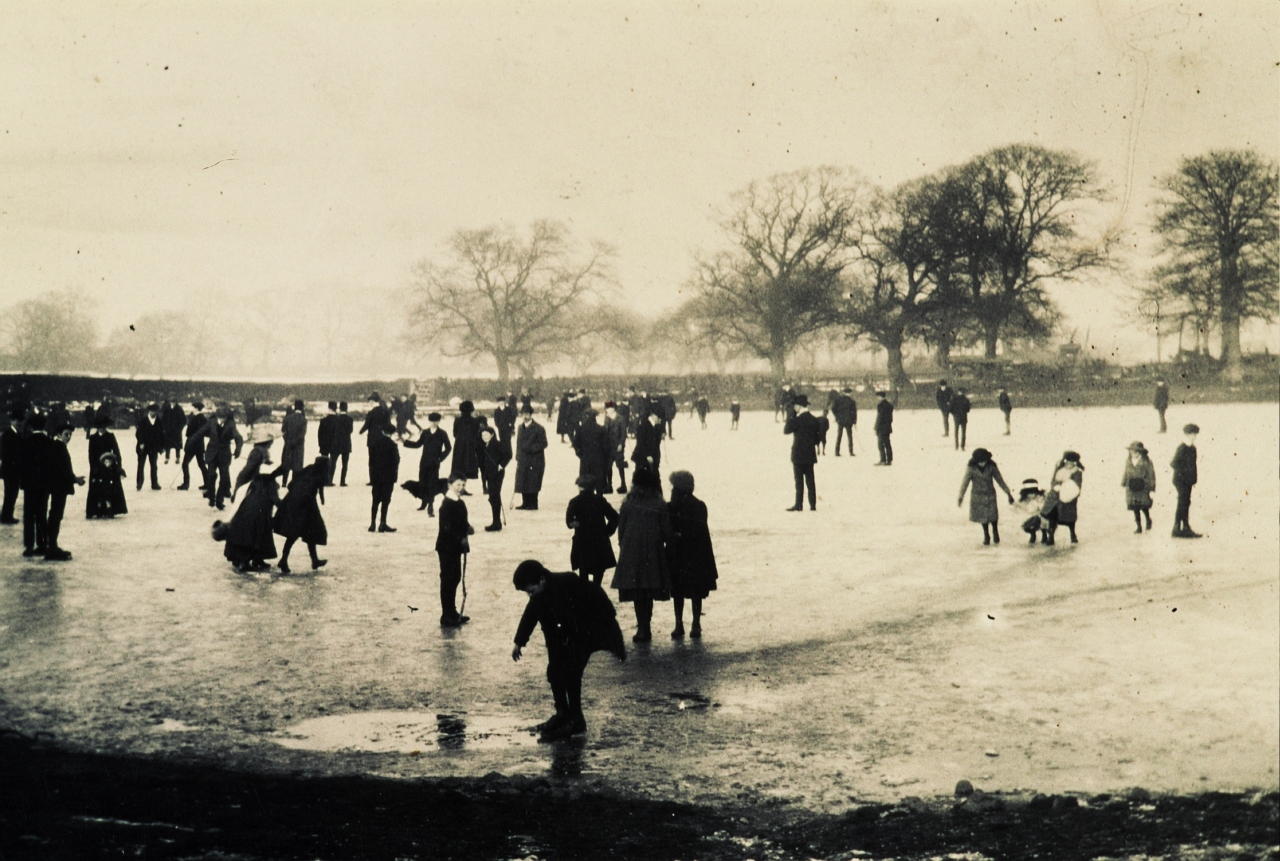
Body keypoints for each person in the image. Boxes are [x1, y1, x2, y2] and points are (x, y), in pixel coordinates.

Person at [511, 559, 626, 741]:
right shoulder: (539, 596)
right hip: (561, 637)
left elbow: (596, 602)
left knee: (571, 673)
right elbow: (530, 616)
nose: (530, 596)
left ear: (542, 580)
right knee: (554, 672)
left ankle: (576, 720)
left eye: (531, 591)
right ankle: (562, 714)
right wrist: (519, 642)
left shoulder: (567, 584)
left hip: (586, 632)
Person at [611, 468, 673, 643]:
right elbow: (667, 530)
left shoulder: (628, 503)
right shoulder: (659, 504)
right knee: (648, 590)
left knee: (638, 592)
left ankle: (642, 628)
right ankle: (646, 626)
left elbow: (621, 528)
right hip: (653, 552)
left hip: (632, 552)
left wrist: (623, 547)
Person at [666, 470, 717, 639]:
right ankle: (694, 623)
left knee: (679, 590)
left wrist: (679, 535)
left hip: (682, 553)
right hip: (695, 555)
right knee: (694, 591)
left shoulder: (674, 506)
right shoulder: (698, 505)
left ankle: (680, 623)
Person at [223, 426, 281, 572]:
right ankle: (245, 558)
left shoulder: (261, 451)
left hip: (264, 491)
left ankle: (257, 557)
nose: (272, 442)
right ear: (266, 441)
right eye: (270, 440)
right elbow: (245, 473)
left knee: (261, 525)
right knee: (254, 525)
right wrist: (237, 490)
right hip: (257, 492)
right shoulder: (257, 453)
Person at [273, 456, 329, 573]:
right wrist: (320, 497)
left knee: (302, 533)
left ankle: (313, 560)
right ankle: (284, 560)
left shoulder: (309, 469)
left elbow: (291, 483)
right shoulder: (321, 475)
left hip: (293, 501)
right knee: (299, 533)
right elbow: (320, 486)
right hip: (305, 505)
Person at [565, 475, 619, 586]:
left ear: (579, 486)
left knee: (583, 571)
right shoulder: (599, 500)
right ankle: (596, 592)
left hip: (582, 541)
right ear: (594, 487)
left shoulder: (575, 501)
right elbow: (615, 517)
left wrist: (573, 523)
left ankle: (586, 596)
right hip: (599, 541)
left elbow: (569, 520)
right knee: (598, 571)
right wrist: (608, 531)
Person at [436, 474, 474, 626]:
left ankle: (452, 612)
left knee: (455, 577)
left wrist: (468, 527)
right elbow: (447, 527)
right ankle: (446, 615)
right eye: (458, 485)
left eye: (463, 485)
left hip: (455, 547)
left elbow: (461, 521)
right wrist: (460, 538)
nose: (461, 488)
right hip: (446, 547)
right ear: (450, 485)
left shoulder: (459, 502)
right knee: (448, 579)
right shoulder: (446, 504)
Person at [42, 423, 84, 560]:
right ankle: (51, 547)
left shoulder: (58, 447)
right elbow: (62, 471)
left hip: (57, 487)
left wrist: (74, 479)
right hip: (58, 488)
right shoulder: (58, 447)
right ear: (59, 434)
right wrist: (75, 480)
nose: (69, 437)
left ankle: (51, 546)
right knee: (55, 515)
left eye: (70, 434)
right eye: (66, 434)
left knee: (55, 515)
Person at [957, 447, 1014, 546]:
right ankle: (986, 534)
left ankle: (995, 531)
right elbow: (964, 483)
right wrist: (961, 496)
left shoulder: (991, 466)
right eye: (981, 461)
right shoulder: (971, 468)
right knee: (983, 517)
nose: (983, 463)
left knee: (993, 515)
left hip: (990, 494)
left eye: (984, 461)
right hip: (977, 496)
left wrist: (1008, 493)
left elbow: (1000, 480)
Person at [401, 412, 451, 514]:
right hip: (424, 462)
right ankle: (424, 503)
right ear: (429, 421)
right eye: (432, 421)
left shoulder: (442, 433)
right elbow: (418, 444)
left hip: (434, 463)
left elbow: (448, 448)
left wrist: (440, 458)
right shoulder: (425, 432)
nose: (434, 423)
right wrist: (405, 442)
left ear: (439, 421)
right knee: (423, 483)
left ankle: (431, 506)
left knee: (432, 484)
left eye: (436, 421)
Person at [20, 413, 52, 557]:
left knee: (29, 515)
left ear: (32, 427)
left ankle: (29, 545)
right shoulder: (48, 442)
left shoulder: (26, 442)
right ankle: (42, 543)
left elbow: (22, 465)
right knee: (41, 514)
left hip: (30, 485)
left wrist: (23, 482)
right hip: (44, 485)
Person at [199, 406, 243, 510]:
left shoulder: (231, 424)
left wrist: (238, 450)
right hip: (212, 454)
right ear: (217, 416)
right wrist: (190, 443)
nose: (223, 419)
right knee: (211, 475)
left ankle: (219, 500)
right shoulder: (212, 422)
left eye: (224, 417)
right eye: (221, 417)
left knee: (224, 478)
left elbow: (238, 437)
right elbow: (200, 433)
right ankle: (211, 497)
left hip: (224, 455)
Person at [783, 394, 821, 511]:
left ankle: (798, 504)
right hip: (809, 453)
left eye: (795, 406)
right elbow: (817, 438)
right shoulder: (814, 420)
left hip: (798, 454)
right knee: (810, 480)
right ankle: (813, 505)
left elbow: (786, 430)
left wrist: (792, 416)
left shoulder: (797, 420)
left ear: (799, 406)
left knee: (799, 482)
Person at [86, 414, 127, 519]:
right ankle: (96, 510)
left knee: (111, 488)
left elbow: (116, 451)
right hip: (97, 467)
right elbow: (91, 455)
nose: (102, 428)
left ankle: (112, 509)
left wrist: (118, 465)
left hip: (110, 466)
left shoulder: (110, 436)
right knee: (97, 488)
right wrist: (94, 467)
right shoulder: (93, 438)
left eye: (104, 426)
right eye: (100, 426)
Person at [1042, 451, 1084, 545]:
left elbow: (1077, 485)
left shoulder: (1077, 472)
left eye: (1072, 462)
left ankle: (1072, 534)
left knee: (1069, 519)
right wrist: (1056, 486)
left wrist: (1068, 491)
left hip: (1068, 499)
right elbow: (1053, 480)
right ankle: (1051, 536)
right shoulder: (1059, 469)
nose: (1070, 463)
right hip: (1054, 498)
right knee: (1052, 516)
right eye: (1068, 461)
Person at [367, 420, 400, 533]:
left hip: (376, 477)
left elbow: (371, 462)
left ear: (382, 431)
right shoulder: (393, 445)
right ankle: (382, 523)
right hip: (388, 478)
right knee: (386, 500)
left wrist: (372, 477)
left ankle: (372, 524)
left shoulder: (374, 444)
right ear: (391, 433)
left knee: (375, 500)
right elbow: (396, 461)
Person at [514, 405, 548, 510]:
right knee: (523, 479)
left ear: (531, 415)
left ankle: (533, 503)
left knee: (533, 481)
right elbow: (518, 443)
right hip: (523, 459)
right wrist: (518, 454)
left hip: (535, 459)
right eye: (523, 414)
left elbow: (544, 443)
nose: (525, 416)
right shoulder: (520, 427)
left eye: (527, 414)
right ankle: (525, 503)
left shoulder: (539, 428)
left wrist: (531, 448)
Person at [1171, 423, 1201, 538]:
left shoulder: (1193, 448)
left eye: (1195, 434)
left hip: (1187, 481)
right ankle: (1180, 528)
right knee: (1182, 503)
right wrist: (1184, 475)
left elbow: (1193, 465)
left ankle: (1181, 527)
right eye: (1192, 434)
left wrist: (1193, 478)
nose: (1194, 436)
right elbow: (1174, 463)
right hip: (1181, 481)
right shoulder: (1182, 447)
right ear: (1187, 434)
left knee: (1185, 503)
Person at [479, 425, 511, 532]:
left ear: (492, 434)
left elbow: (508, 454)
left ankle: (496, 522)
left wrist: (501, 465)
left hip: (497, 474)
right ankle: (496, 521)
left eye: (486, 434)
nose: (484, 437)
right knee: (493, 496)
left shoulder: (497, 444)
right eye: (482, 435)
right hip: (489, 474)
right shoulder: (485, 445)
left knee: (494, 496)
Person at [573, 409, 612, 492]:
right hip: (599, 460)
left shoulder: (581, 429)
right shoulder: (601, 429)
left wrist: (580, 454)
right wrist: (605, 458)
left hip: (585, 460)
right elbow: (607, 446)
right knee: (599, 483)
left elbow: (576, 444)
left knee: (585, 483)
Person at [1121, 441, 1156, 534]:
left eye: (1135, 451)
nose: (1133, 453)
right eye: (1131, 451)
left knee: (1144, 506)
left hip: (1143, 487)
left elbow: (1151, 474)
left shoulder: (1146, 462)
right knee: (1135, 507)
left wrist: (1151, 487)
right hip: (1131, 488)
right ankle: (1139, 526)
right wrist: (1123, 482)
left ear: (1140, 452)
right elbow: (1125, 472)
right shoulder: (1128, 461)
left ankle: (1148, 520)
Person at [177, 401, 209, 491]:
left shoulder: (196, 418)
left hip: (192, 444)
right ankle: (207, 483)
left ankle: (186, 484)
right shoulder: (202, 418)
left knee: (185, 464)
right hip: (199, 445)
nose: (192, 409)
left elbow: (189, 432)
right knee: (201, 464)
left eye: (193, 407)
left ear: (196, 408)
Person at [450, 400, 482, 485]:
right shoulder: (475, 421)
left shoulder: (457, 420)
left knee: (459, 466)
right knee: (467, 466)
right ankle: (463, 486)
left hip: (459, 445)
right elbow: (476, 433)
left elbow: (454, 433)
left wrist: (461, 438)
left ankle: (459, 485)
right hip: (470, 445)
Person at [134, 404, 165, 491]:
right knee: (141, 465)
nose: (153, 413)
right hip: (143, 447)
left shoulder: (159, 421)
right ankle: (139, 483)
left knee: (154, 466)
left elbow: (162, 435)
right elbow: (138, 433)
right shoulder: (143, 421)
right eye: (151, 411)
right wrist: (141, 442)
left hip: (153, 447)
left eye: (155, 411)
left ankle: (154, 484)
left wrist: (162, 447)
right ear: (148, 412)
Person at [279, 399, 307, 487]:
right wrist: (296, 442)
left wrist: (287, 440)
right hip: (298, 446)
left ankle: (284, 482)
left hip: (288, 445)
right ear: (302, 408)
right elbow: (302, 434)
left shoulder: (287, 418)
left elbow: (283, 431)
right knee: (297, 465)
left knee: (286, 464)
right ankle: (294, 483)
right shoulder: (303, 420)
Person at [1, 410, 22, 524]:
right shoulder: (7, 435)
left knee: (13, 493)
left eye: (20, 421)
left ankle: (7, 515)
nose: (19, 423)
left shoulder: (17, 434)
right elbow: (5, 454)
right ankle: (6, 516)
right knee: (10, 494)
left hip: (14, 471)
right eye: (17, 421)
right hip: (10, 471)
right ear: (12, 421)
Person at [604, 402, 628, 494]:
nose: (607, 410)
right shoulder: (607, 418)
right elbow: (605, 431)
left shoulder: (620, 418)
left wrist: (621, 444)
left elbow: (623, 433)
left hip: (617, 446)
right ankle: (609, 485)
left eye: (608, 408)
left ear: (613, 408)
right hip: (609, 446)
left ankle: (623, 485)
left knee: (620, 465)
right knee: (608, 466)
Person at [1016, 478, 1048, 544]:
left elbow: (1043, 508)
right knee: (1027, 526)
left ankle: (1044, 534)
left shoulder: (1040, 498)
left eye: (1033, 492)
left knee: (1041, 522)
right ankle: (1033, 533)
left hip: (1041, 517)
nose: (1031, 495)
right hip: (1031, 517)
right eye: (1029, 493)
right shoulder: (1025, 500)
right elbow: (1021, 506)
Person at [316, 401, 339, 486]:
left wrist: (320, 444)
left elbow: (319, 434)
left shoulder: (323, 420)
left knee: (324, 463)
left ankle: (323, 479)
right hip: (334, 445)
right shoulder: (337, 420)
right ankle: (329, 480)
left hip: (324, 444)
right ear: (336, 408)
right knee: (332, 463)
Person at [331, 401, 354, 486]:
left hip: (336, 443)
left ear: (339, 408)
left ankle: (330, 480)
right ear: (346, 408)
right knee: (345, 464)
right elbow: (350, 430)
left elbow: (333, 430)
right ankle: (342, 481)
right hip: (346, 443)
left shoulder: (336, 419)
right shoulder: (350, 419)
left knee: (333, 463)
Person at [831, 388, 857, 456]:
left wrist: (837, 416)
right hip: (849, 421)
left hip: (840, 420)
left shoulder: (838, 400)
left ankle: (836, 452)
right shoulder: (852, 401)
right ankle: (851, 452)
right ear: (849, 393)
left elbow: (833, 408)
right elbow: (854, 412)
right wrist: (854, 422)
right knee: (850, 436)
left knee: (839, 436)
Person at [873, 391, 895, 465]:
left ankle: (882, 459)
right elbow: (890, 418)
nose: (877, 398)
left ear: (880, 396)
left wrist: (876, 427)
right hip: (887, 427)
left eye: (877, 397)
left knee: (880, 444)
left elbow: (879, 417)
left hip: (881, 427)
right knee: (887, 444)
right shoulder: (889, 405)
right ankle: (889, 460)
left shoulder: (880, 405)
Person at [162, 397, 185, 464]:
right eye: (171, 401)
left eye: (174, 401)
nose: (173, 403)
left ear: (176, 402)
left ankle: (178, 458)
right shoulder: (167, 409)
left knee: (177, 445)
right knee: (167, 445)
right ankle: (167, 458)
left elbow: (183, 420)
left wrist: (180, 428)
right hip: (168, 430)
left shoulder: (179, 409)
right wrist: (164, 428)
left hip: (176, 431)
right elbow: (163, 419)